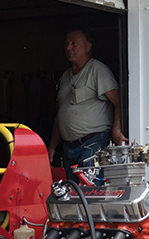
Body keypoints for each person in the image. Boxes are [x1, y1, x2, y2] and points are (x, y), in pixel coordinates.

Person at [47, 28, 126, 181]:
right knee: (73, 193)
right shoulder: (65, 76)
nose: (68, 48)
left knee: (90, 191)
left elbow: (119, 102)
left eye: (74, 44)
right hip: (69, 148)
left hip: (93, 144)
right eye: (66, 44)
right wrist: (52, 146)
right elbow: (61, 114)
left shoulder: (98, 70)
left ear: (88, 47)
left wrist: (116, 130)